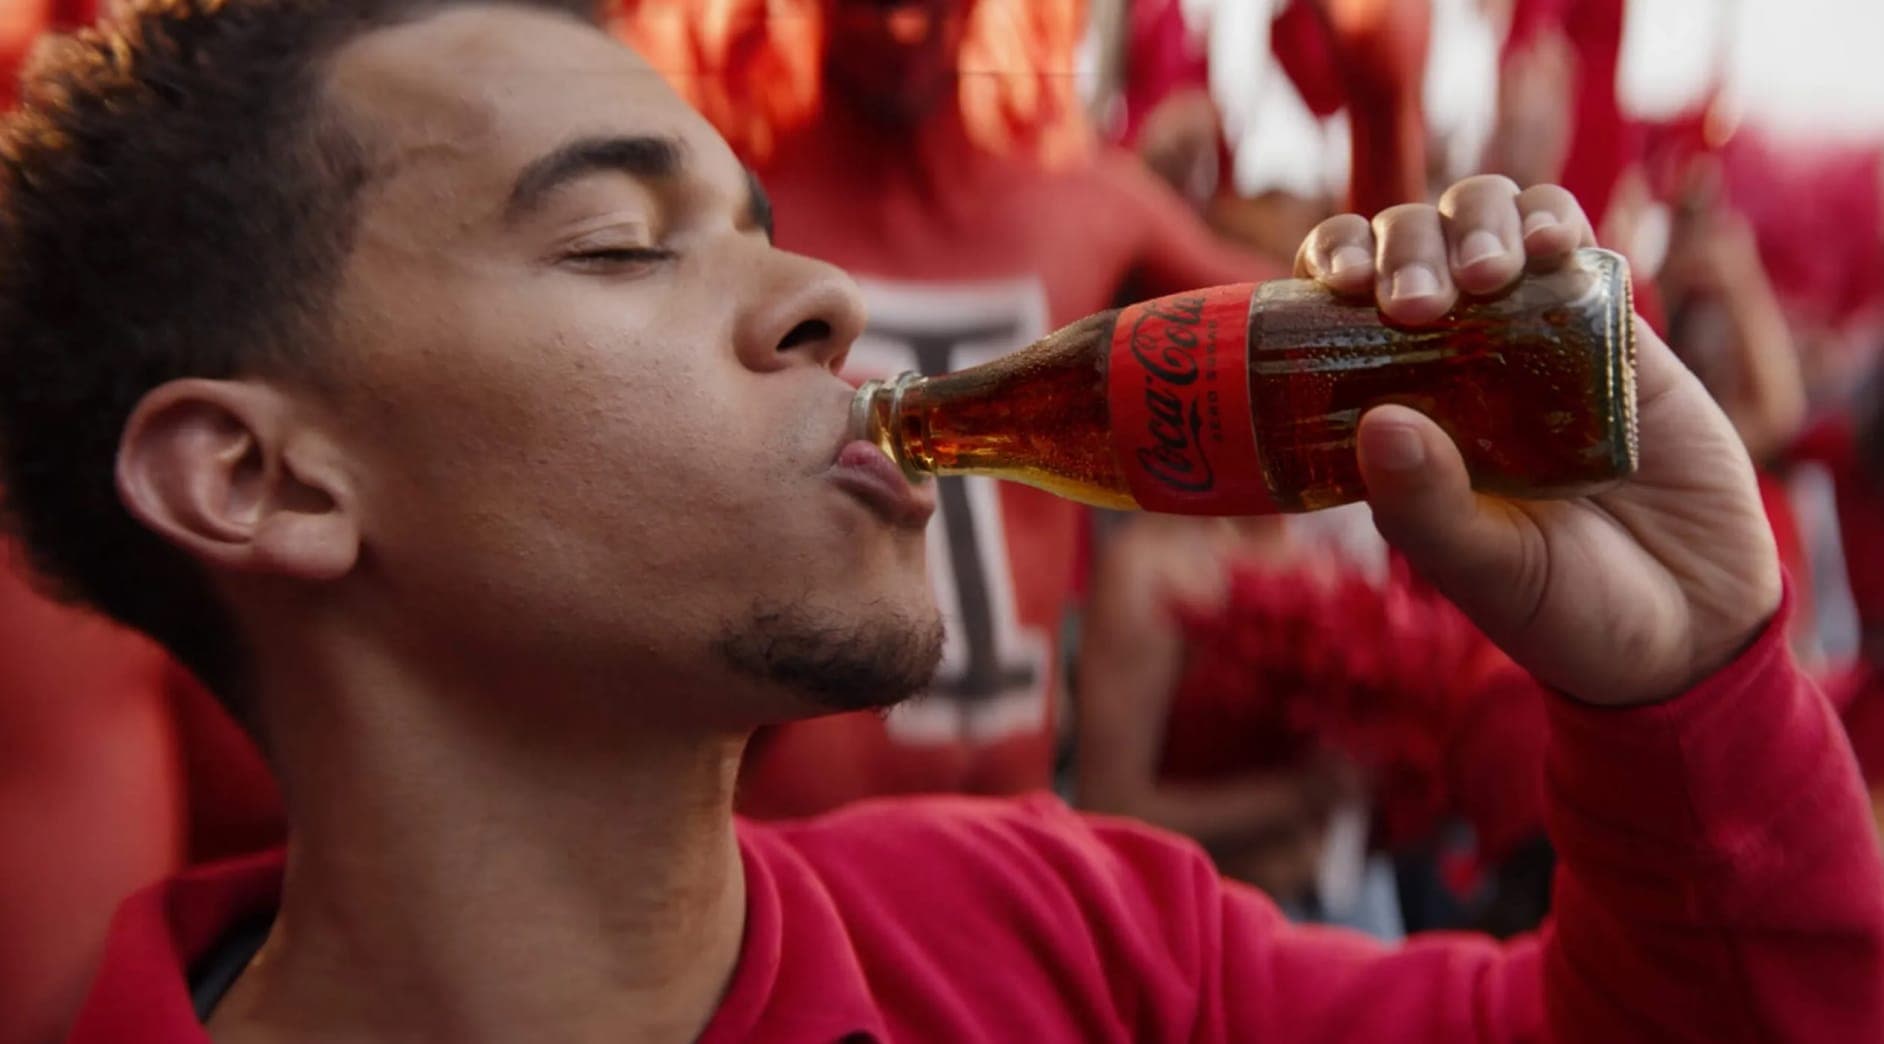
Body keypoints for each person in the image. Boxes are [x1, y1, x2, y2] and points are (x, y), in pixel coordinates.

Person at [3, 3, 1879, 1041]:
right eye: (618, 241)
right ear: (257, 476)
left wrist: (1683, 687)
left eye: (755, 222)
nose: (826, 295)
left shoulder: (1065, 943)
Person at [620, 0, 1286, 819]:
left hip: (1022, 843)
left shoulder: (1083, 200)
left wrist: (1386, 108)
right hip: (790, 866)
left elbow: (1330, 344)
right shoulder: (724, 213)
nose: (901, 25)